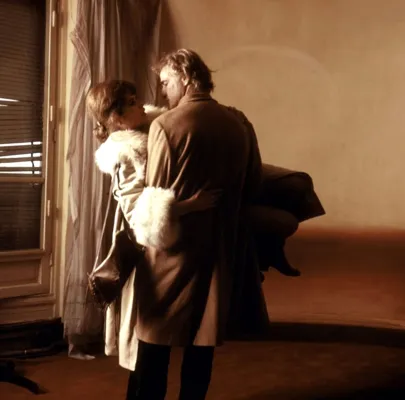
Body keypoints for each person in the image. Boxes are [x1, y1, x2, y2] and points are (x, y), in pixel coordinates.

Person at [120, 48, 263, 399]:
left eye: (166, 82)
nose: (162, 91)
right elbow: (253, 185)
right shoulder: (240, 123)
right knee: (201, 345)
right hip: (219, 248)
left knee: (154, 344)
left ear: (185, 77)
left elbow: (154, 201)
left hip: (172, 252)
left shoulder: (167, 125)